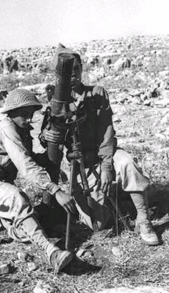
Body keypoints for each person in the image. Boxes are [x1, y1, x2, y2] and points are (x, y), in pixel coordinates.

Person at [42, 44, 160, 246]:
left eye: (77, 68)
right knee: (97, 224)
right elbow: (49, 144)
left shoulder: (97, 94)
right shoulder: (56, 101)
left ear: (81, 69)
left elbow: (107, 134)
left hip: (105, 154)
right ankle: (118, 197)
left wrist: (106, 167)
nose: (73, 74)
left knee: (127, 163)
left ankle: (143, 219)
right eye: (68, 71)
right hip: (80, 163)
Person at [0, 88, 76, 273]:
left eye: (31, 114)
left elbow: (29, 157)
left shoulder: (22, 131)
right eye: (25, 114)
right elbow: (25, 166)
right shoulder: (7, 128)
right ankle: (52, 253)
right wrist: (56, 190)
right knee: (17, 197)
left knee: (28, 225)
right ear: (12, 113)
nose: (29, 119)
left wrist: (51, 162)